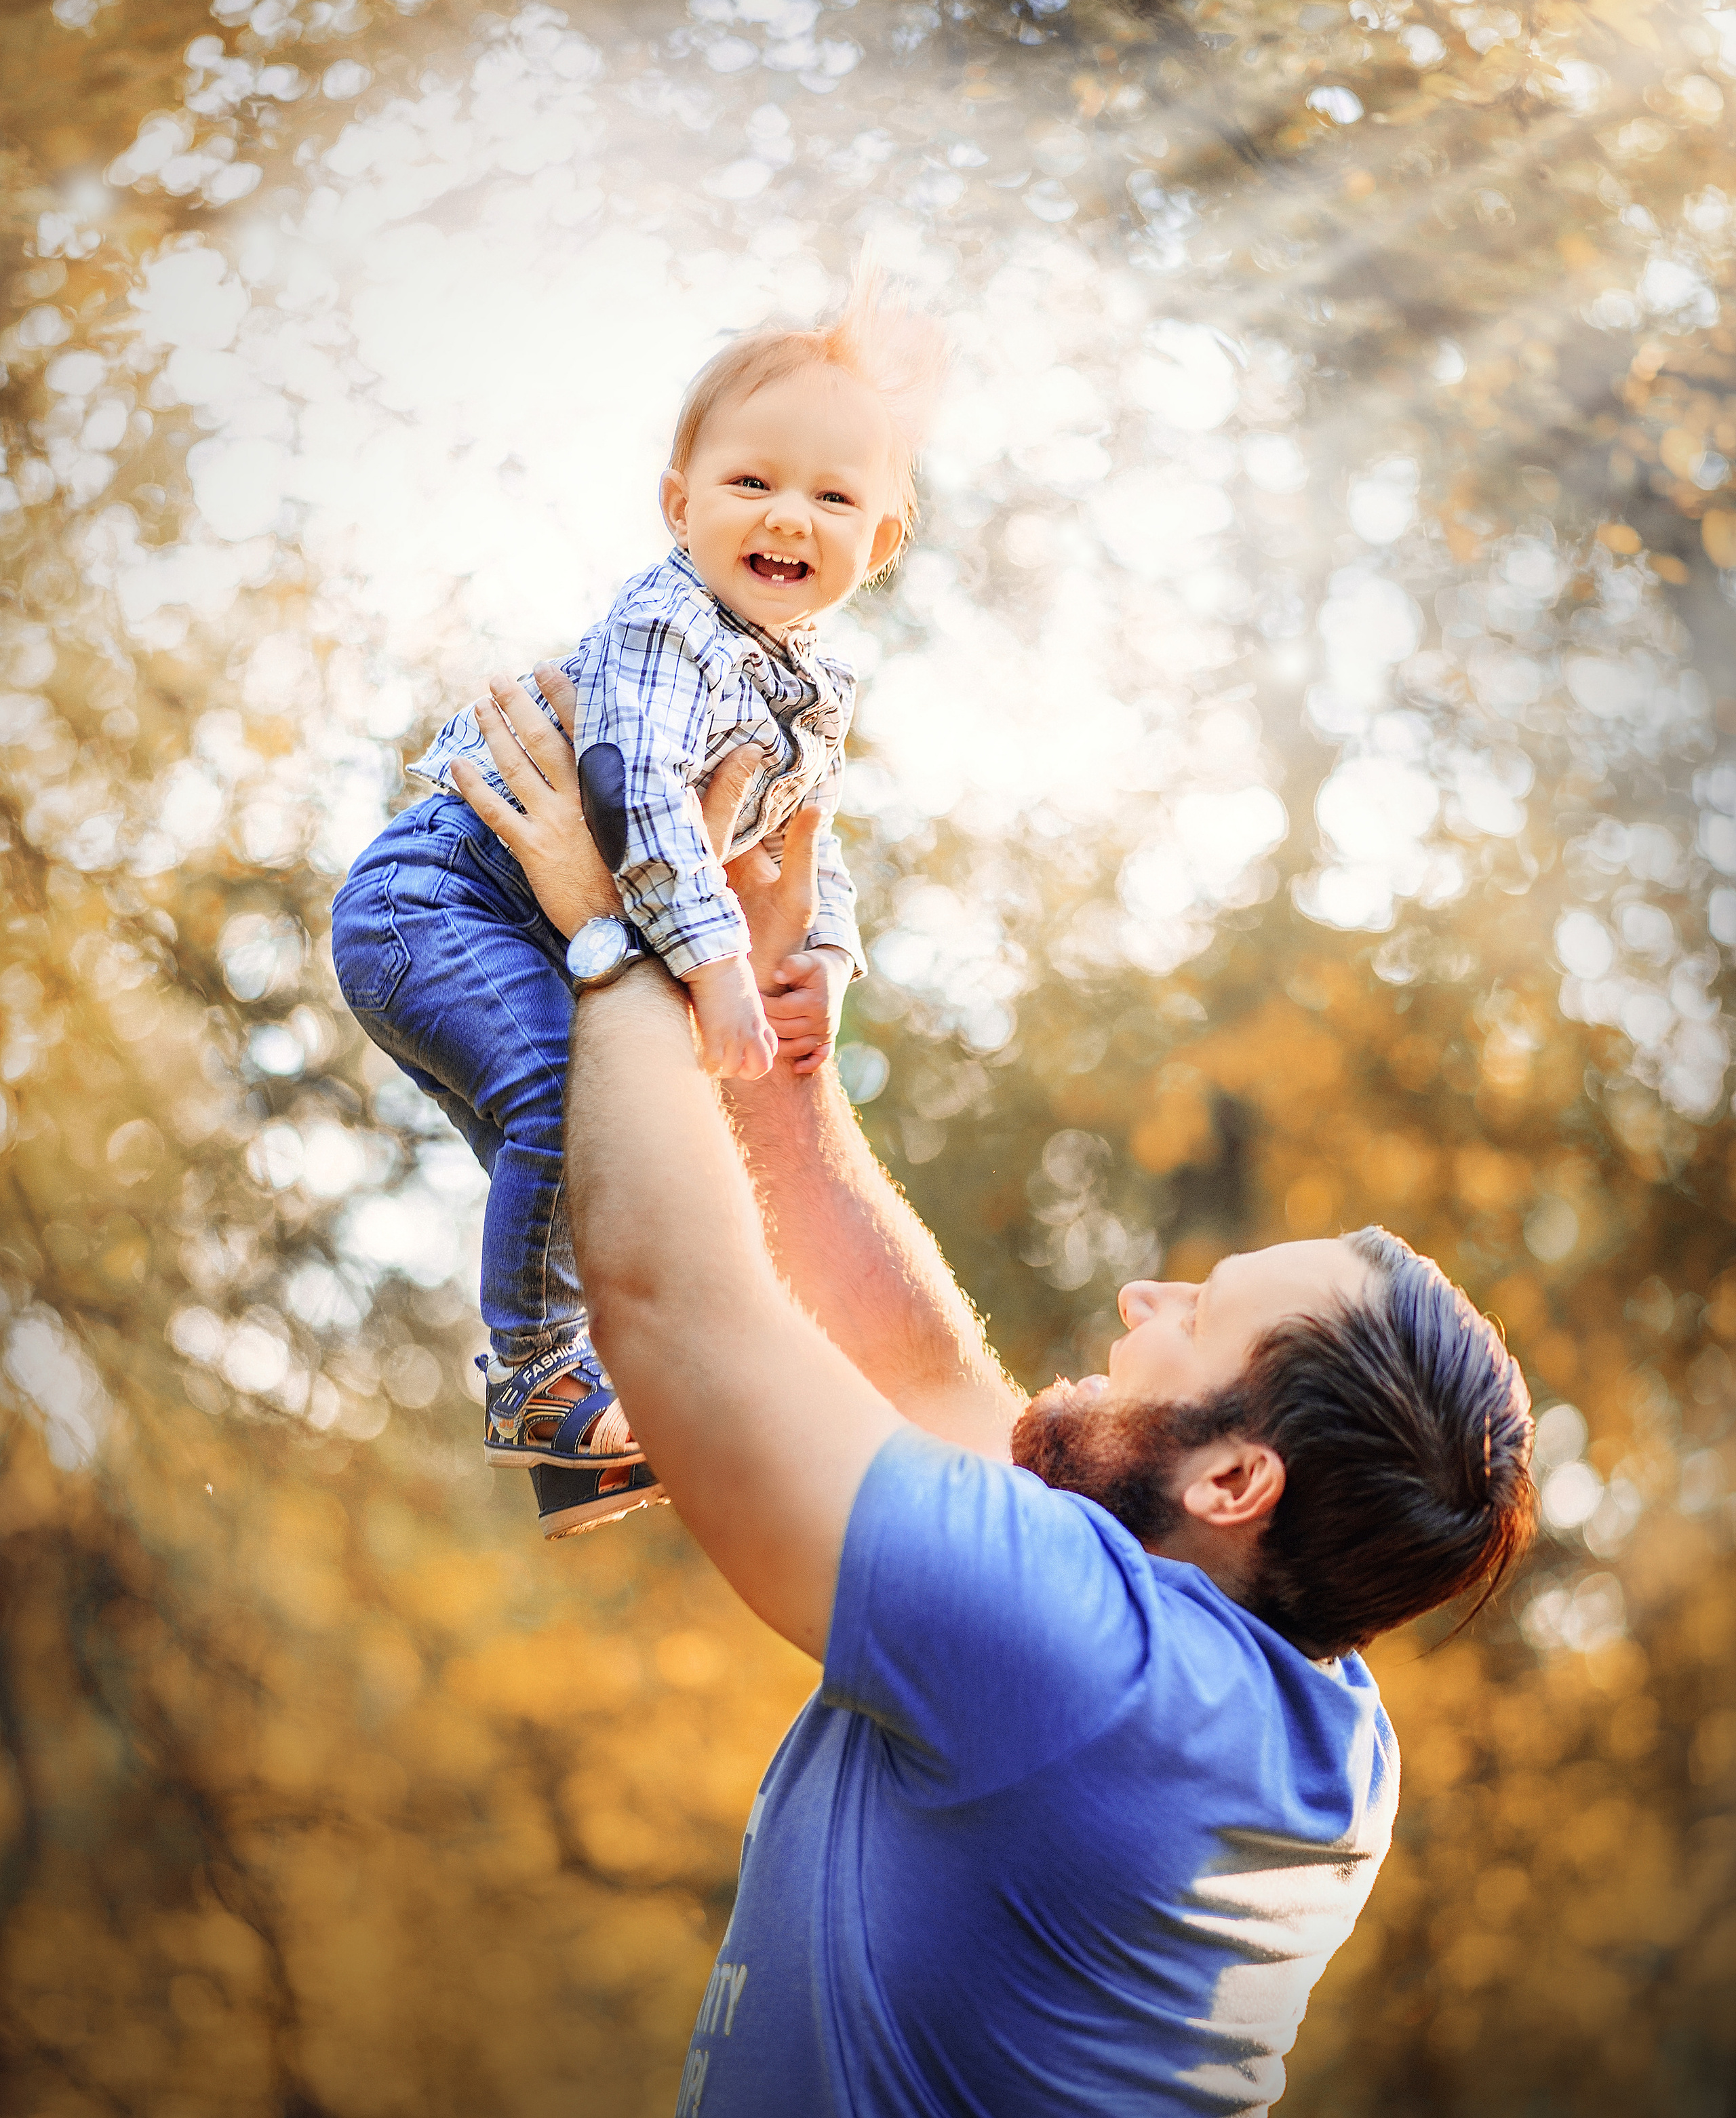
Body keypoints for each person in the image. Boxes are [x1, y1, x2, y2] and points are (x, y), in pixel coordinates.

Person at [452, 674, 1540, 2117]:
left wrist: (618, 936)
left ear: (1233, 1482)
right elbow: (927, 1385)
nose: (1143, 1299)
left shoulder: (1079, 1669)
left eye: (1195, 1315)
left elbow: (671, 1309)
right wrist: (783, 1066)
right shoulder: (1306, 1712)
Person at [328, 267, 949, 1537]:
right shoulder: (672, 629)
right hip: (436, 906)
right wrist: (718, 966)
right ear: (681, 506)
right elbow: (635, 800)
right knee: (561, 1099)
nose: (790, 516)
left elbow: (803, 845)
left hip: (511, 929)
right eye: (752, 482)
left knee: (588, 1151)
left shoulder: (810, 688)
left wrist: (824, 957)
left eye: (835, 497)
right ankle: (532, 1381)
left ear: (879, 545)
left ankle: (580, 1433)